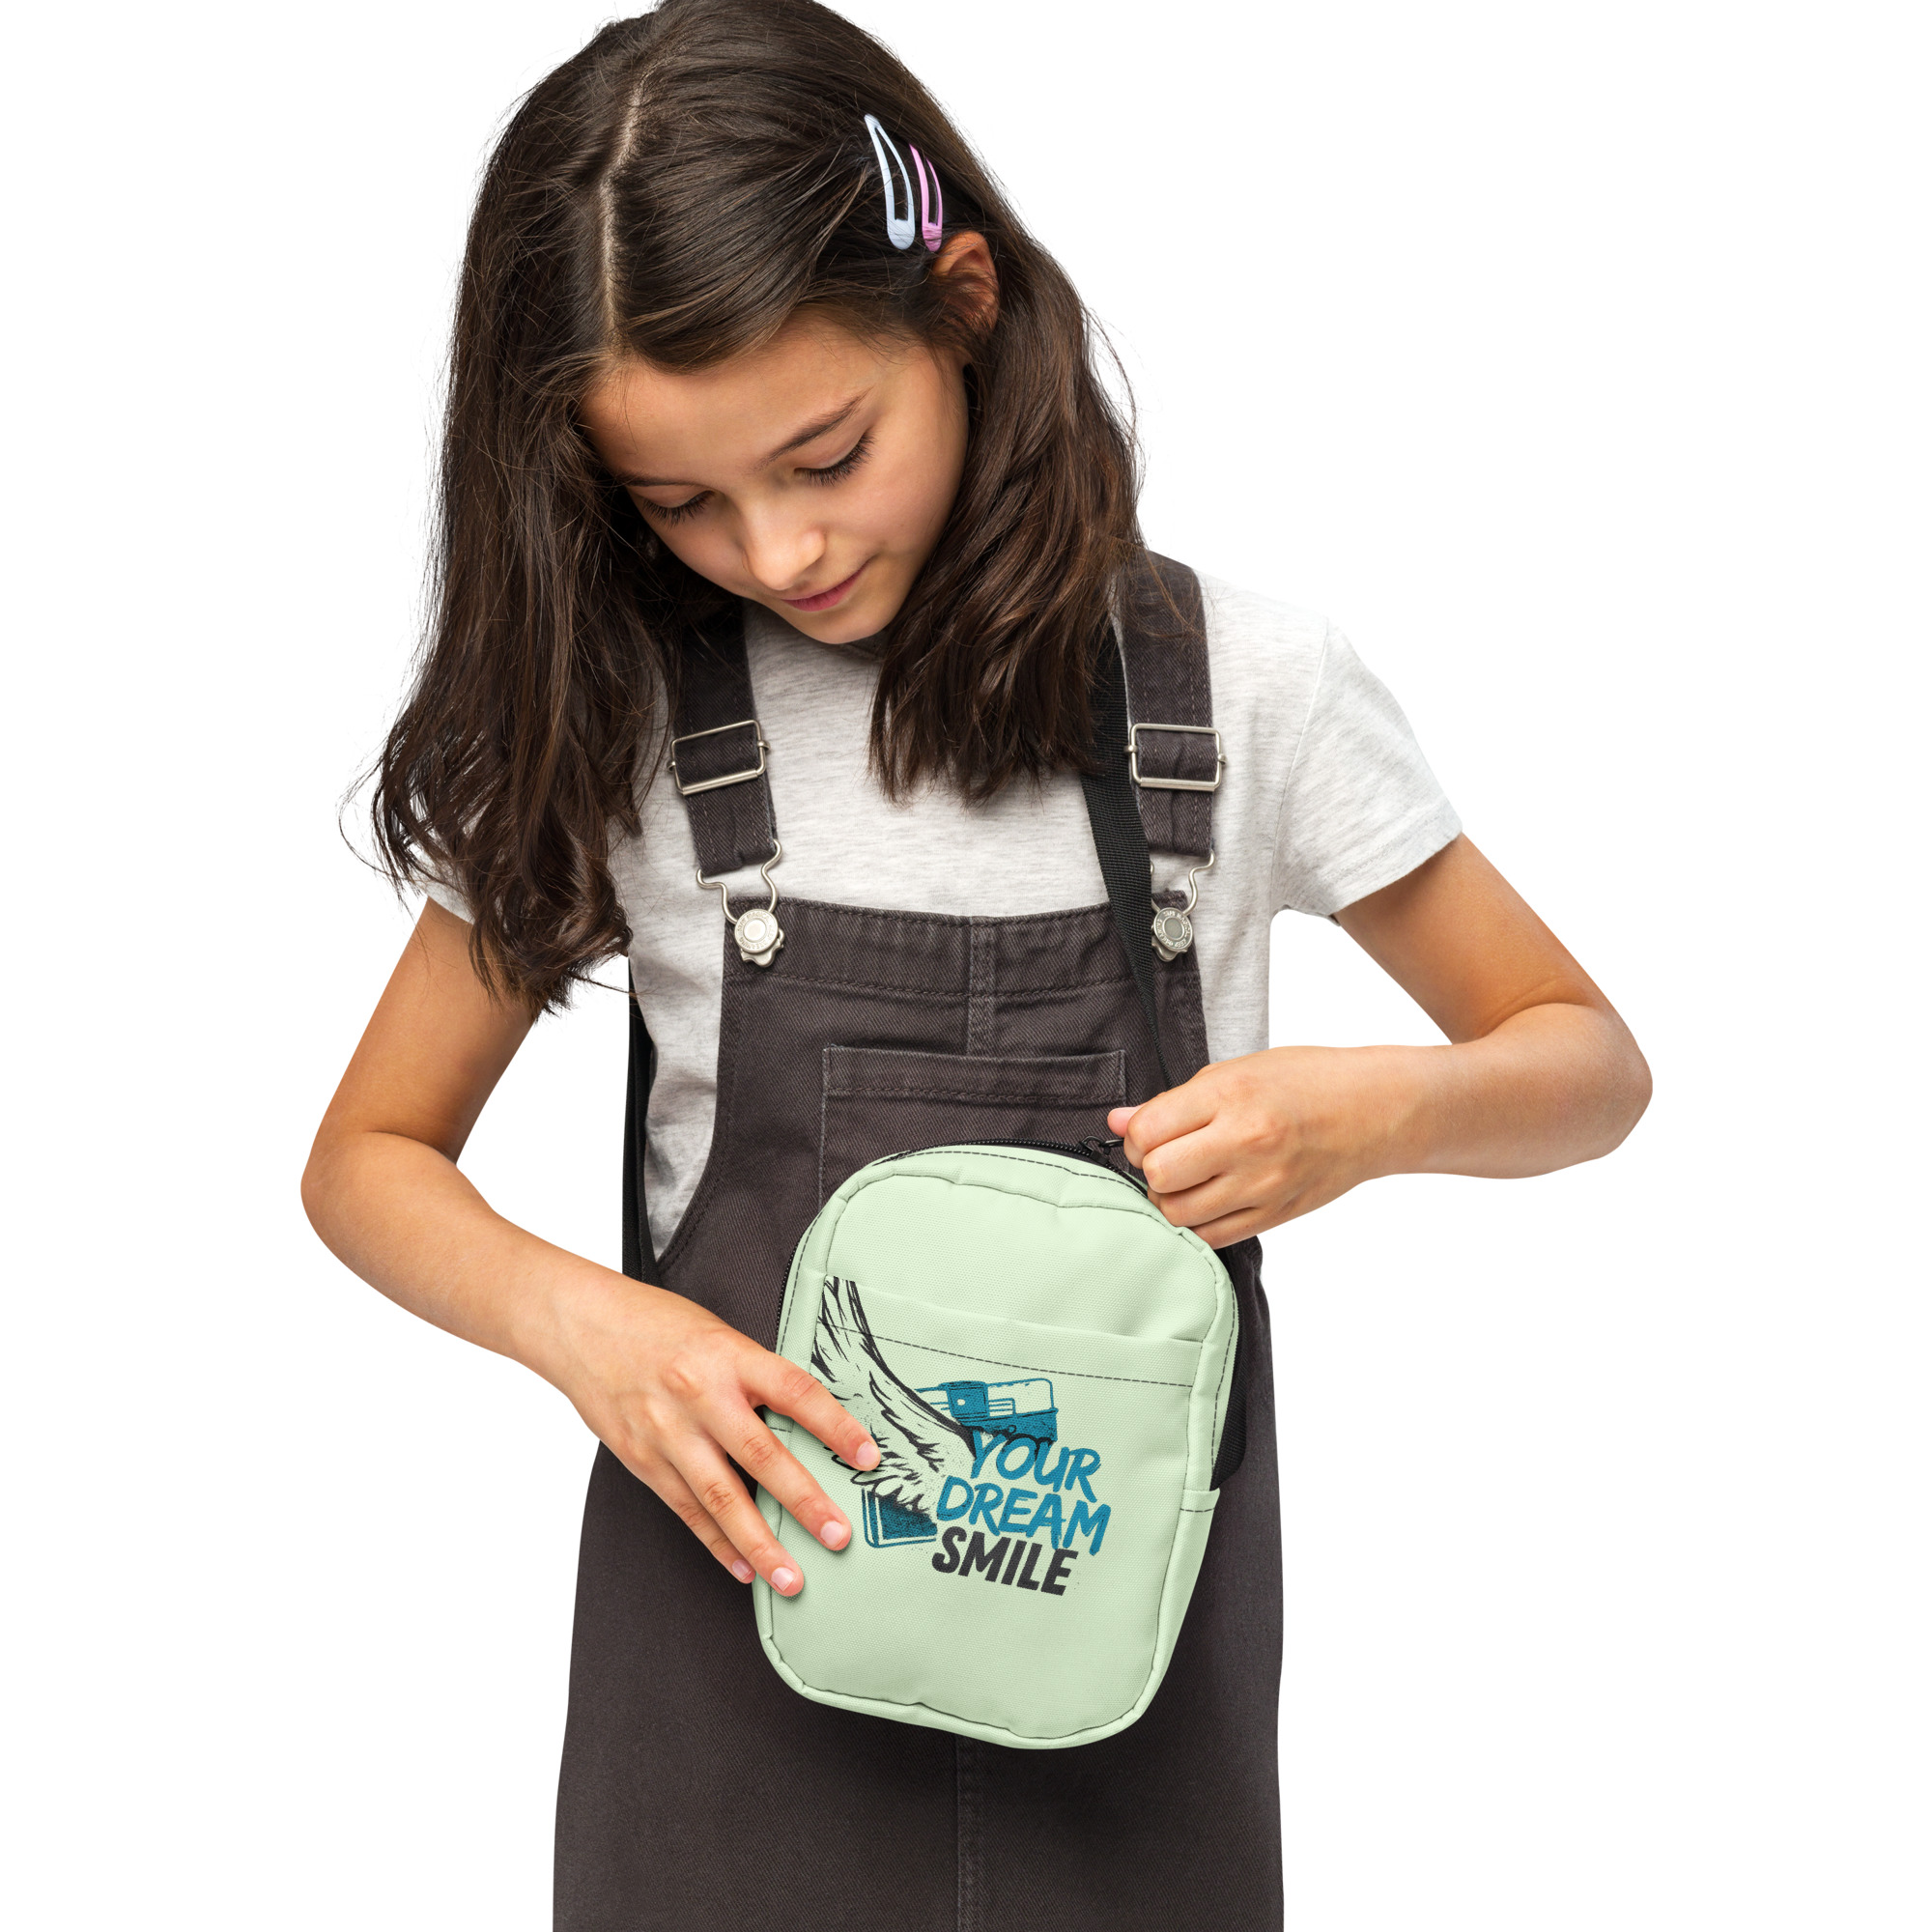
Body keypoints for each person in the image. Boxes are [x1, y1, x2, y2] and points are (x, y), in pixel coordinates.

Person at [301, 2, 1651, 1925]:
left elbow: (1583, 1061)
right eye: (681, 504)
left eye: (825, 454)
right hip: (727, 1678)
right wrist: (589, 1330)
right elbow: (367, 1156)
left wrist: (1371, 1116)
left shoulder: (1242, 691)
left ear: (960, 303)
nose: (777, 549)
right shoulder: (626, 719)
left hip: (1134, 1694)